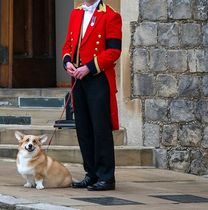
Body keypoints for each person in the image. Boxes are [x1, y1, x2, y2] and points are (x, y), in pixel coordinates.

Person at [62, 0, 122, 191]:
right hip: (78, 79)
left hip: (98, 78)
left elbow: (114, 51)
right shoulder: (76, 13)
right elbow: (68, 45)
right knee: (84, 128)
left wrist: (88, 67)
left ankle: (106, 176)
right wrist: (67, 62)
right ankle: (91, 173)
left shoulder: (111, 15)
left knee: (100, 128)